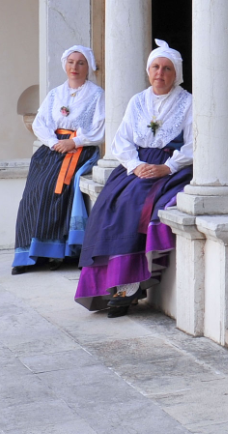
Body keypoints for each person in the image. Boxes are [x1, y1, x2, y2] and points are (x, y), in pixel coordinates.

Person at [75, 39, 193, 318]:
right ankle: (109, 285)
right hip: (137, 166)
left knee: (135, 205)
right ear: (148, 70)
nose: (160, 74)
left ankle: (128, 289)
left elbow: (194, 144)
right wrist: (134, 164)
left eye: (166, 68)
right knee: (108, 206)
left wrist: (168, 167)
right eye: (155, 67)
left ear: (176, 73)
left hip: (169, 167)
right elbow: (122, 139)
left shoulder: (188, 103)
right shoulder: (138, 100)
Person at [12, 46, 104, 274]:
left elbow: (100, 128)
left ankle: (54, 251)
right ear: (65, 65)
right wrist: (54, 143)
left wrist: (73, 142)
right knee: (34, 189)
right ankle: (28, 253)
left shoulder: (96, 94)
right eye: (71, 62)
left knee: (55, 187)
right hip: (53, 146)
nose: (75, 67)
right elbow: (39, 123)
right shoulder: (55, 94)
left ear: (88, 67)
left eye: (80, 63)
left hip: (79, 148)